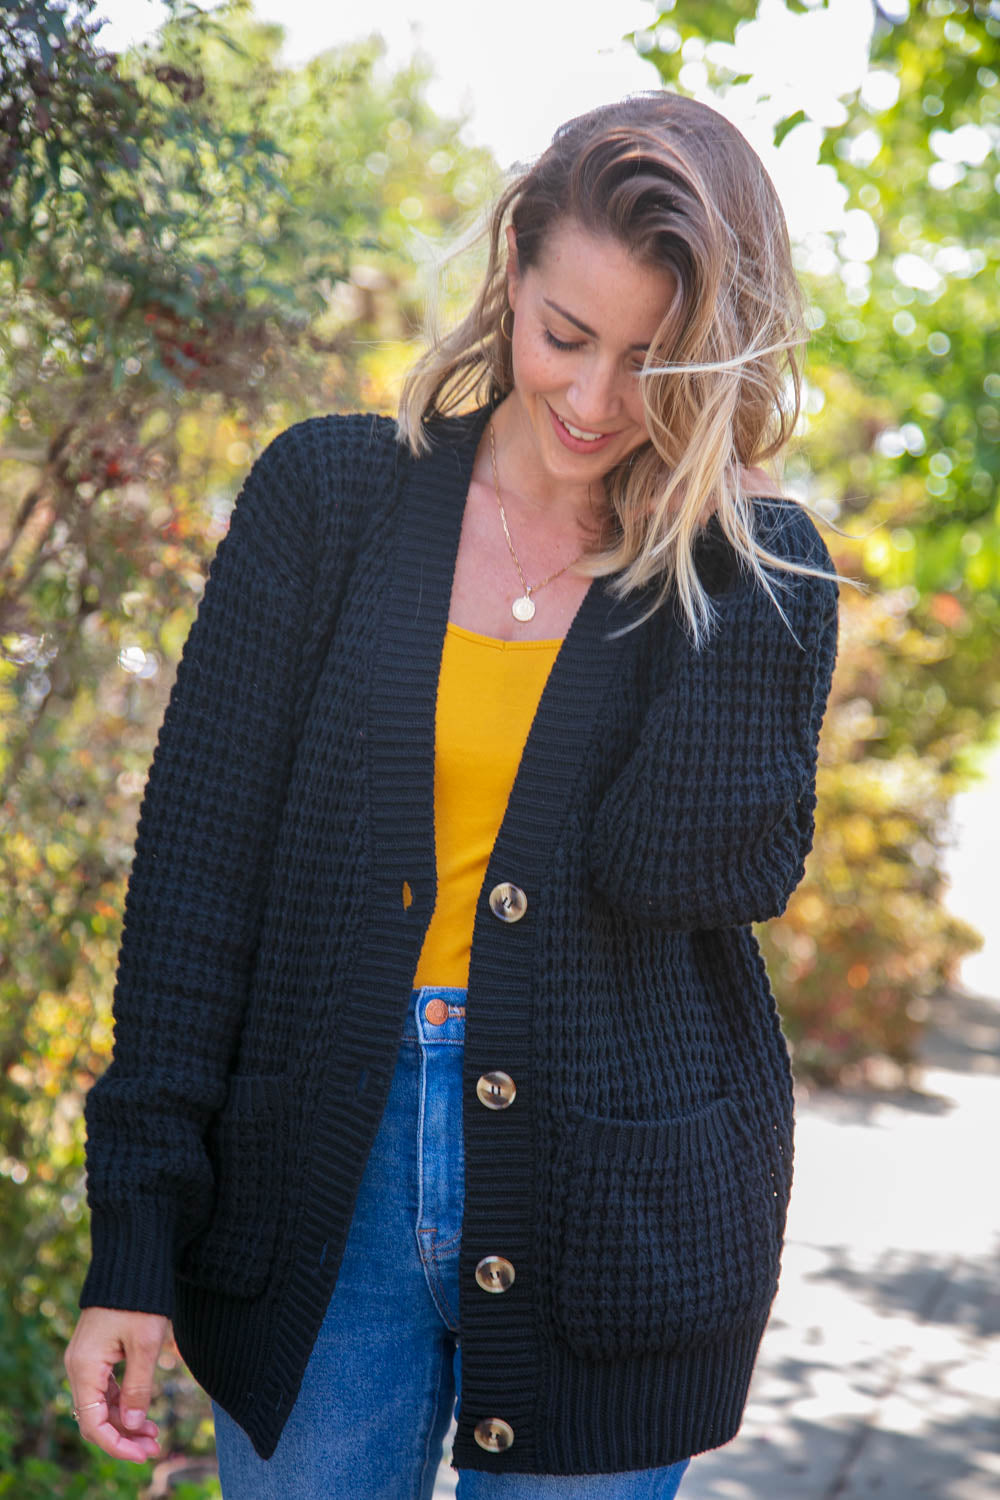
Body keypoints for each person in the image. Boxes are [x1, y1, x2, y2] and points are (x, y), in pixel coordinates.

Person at [65, 91, 840, 1498]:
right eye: (566, 335)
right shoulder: (330, 499)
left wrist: (717, 537)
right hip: (317, 1174)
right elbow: (194, 885)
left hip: (612, 1200)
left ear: (720, 365)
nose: (594, 402)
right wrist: (135, 1237)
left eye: (656, 365)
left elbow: (694, 872)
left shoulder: (755, 578)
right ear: (511, 275)